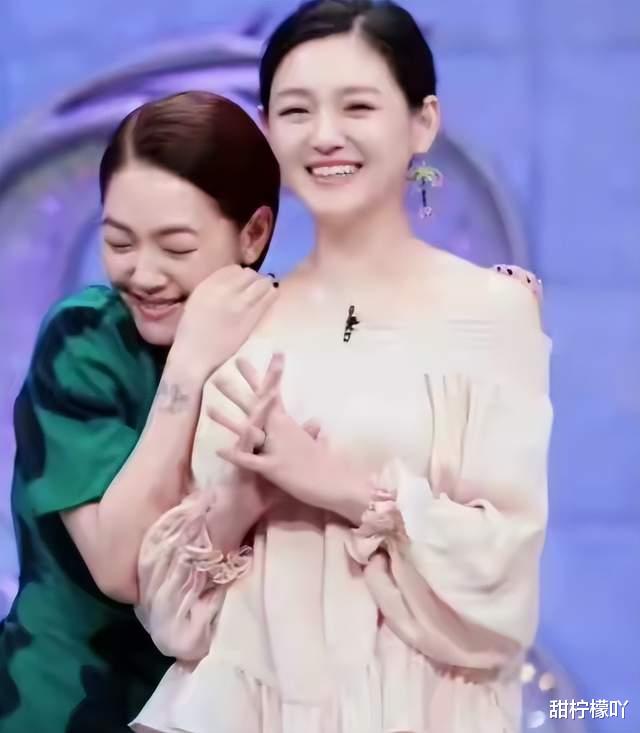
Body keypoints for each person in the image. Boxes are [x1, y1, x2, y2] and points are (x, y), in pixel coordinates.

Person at [132, 2, 553, 732]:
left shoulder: (494, 311)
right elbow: (172, 618)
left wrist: (336, 485)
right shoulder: (235, 315)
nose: (325, 135)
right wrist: (238, 505)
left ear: (422, 121)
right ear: (268, 128)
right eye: (296, 110)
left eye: (357, 106)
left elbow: (503, 576)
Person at [0, 90, 282, 733]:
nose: (143, 274)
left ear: (254, 233)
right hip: (62, 708)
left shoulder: (286, 344)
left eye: (175, 248)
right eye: (119, 242)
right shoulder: (86, 339)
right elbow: (122, 566)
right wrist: (186, 369)